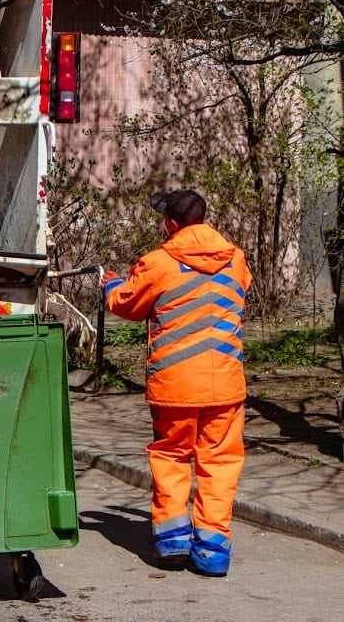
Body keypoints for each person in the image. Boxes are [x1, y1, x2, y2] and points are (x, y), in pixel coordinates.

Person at [100, 189, 252, 577]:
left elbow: (128, 306)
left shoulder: (159, 262)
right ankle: (213, 553)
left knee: (171, 458)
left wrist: (109, 285)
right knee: (219, 465)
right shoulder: (235, 259)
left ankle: (172, 543)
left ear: (170, 223)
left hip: (176, 386)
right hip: (226, 386)